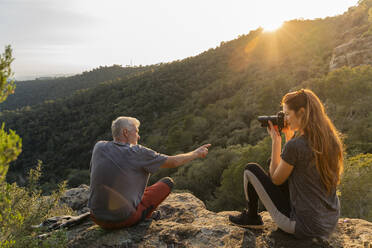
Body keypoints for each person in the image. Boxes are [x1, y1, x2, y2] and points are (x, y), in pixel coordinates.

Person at [229, 89, 344, 239]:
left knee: (250, 170)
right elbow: (298, 165)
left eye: (287, 114)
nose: (286, 119)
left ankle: (251, 217)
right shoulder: (330, 140)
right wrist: (289, 137)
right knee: (273, 162)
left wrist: (276, 141)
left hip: (303, 226)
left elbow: (276, 179)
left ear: (301, 113)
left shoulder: (296, 146)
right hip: (327, 223)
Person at [88, 116, 211, 229]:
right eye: (136, 131)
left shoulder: (99, 146)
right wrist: (196, 153)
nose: (138, 136)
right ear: (125, 132)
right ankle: (145, 216)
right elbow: (174, 162)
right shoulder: (137, 152)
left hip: (96, 217)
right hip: (121, 220)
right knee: (167, 183)